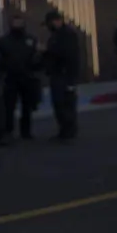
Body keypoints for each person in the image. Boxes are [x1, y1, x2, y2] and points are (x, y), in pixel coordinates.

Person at [0, 14, 41, 140]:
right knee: (8, 106)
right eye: (15, 22)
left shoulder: (31, 40)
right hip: (10, 77)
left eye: (20, 22)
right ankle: (8, 131)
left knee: (27, 106)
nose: (17, 24)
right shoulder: (3, 41)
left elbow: (36, 58)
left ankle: (26, 132)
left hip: (27, 77)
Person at [41, 10, 81, 141]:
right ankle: (65, 130)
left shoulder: (67, 35)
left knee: (65, 103)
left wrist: (47, 51)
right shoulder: (57, 35)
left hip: (64, 74)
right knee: (59, 103)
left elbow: (68, 55)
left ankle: (68, 130)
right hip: (58, 73)